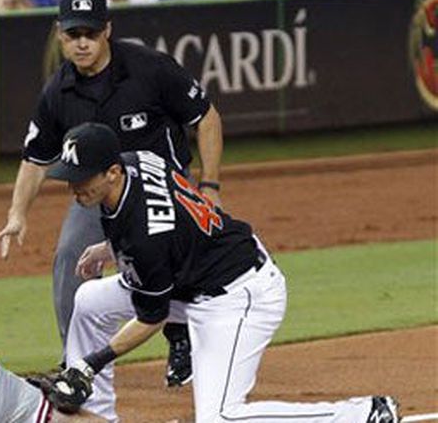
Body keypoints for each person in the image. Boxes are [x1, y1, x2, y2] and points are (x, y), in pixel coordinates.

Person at [36, 122, 402, 423]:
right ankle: (98, 417)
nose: (73, 187)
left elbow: (152, 318)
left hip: (238, 296)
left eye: (82, 178)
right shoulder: (136, 162)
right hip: (195, 275)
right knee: (89, 301)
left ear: (113, 172)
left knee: (220, 418)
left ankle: (362, 414)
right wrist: (110, 248)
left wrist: (90, 364)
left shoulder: (146, 236)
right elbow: (167, 222)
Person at [0, 0, 222, 387]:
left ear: (107, 31)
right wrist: (17, 213)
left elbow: (205, 117)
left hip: (163, 188)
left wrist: (210, 184)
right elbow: (35, 158)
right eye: (73, 34)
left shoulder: (150, 68)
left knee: (169, 262)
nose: (82, 43)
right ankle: (75, 362)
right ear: (60, 35)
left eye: (90, 33)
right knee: (70, 256)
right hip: (97, 191)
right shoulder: (58, 91)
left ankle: (181, 338)